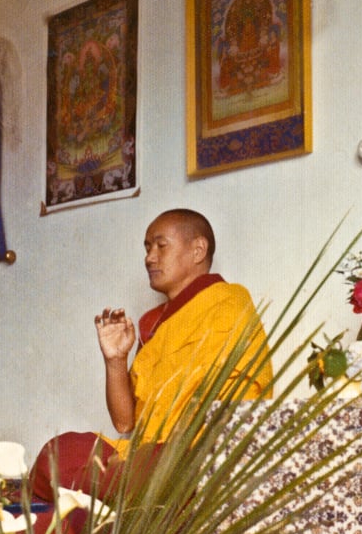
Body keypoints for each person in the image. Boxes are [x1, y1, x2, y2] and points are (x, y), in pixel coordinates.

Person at [30, 208, 273, 502]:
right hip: (145, 458)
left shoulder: (229, 302)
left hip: (192, 458)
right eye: (147, 248)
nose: (149, 258)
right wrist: (115, 360)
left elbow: (236, 411)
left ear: (198, 250)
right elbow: (125, 424)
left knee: (137, 473)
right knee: (60, 453)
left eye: (161, 245)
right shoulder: (153, 324)